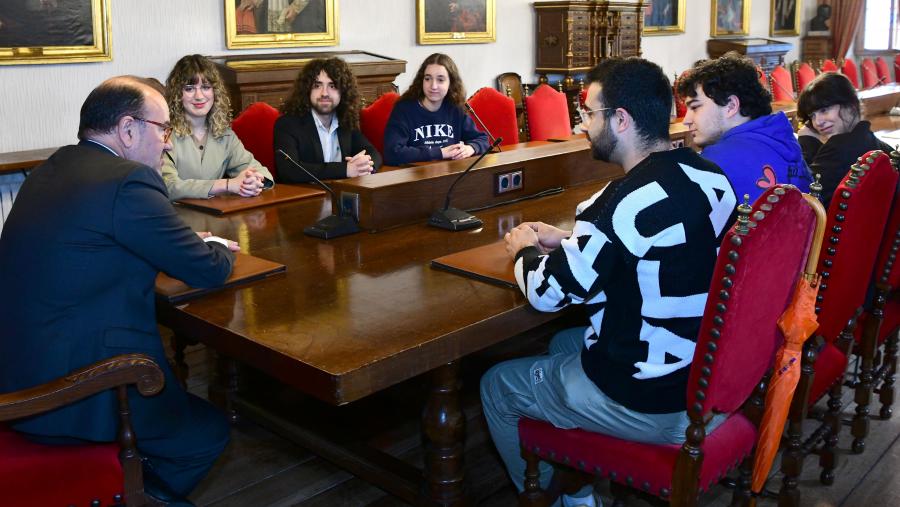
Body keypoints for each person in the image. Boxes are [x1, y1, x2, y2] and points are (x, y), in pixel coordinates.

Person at [480, 58, 736, 507]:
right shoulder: (710, 176)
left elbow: (545, 294)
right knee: (563, 344)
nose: (582, 125)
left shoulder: (614, 204)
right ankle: (578, 486)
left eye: (589, 114)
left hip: (650, 398)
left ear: (621, 120)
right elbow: (667, 248)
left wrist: (522, 247)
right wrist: (570, 240)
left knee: (496, 384)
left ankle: (557, 502)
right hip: (704, 374)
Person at [0, 76, 240, 506]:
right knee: (207, 432)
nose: (168, 143)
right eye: (164, 129)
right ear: (128, 129)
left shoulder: (52, 168)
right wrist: (220, 248)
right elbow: (205, 269)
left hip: (20, 365)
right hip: (74, 389)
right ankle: (127, 494)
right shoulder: (127, 181)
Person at [677, 54, 812, 203]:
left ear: (731, 106)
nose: (686, 121)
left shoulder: (716, 161)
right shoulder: (783, 139)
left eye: (695, 107)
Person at [161, 54, 274, 201]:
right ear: (177, 94)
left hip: (215, 216)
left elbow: (262, 173)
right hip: (175, 217)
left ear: (215, 92)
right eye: (189, 89)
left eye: (206, 87)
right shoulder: (163, 134)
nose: (199, 96)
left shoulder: (225, 134)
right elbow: (168, 186)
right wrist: (226, 185)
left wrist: (253, 181)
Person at [274, 57, 382, 182]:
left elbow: (373, 153)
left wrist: (365, 166)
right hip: (306, 196)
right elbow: (288, 171)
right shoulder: (288, 124)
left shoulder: (345, 120)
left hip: (340, 193)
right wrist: (346, 169)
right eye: (317, 85)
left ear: (343, 92)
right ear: (307, 90)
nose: (324, 93)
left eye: (332, 86)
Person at [797, 72, 892, 208]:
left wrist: (807, 142)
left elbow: (802, 201)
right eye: (812, 115)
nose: (817, 122)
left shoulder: (838, 148)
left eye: (824, 110)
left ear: (851, 105)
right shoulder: (879, 145)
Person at [383, 53, 489, 165]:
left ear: (451, 83)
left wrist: (471, 148)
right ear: (421, 81)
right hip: (416, 176)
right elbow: (392, 153)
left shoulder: (455, 108)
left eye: (440, 80)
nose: (433, 86)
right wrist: (440, 153)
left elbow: (482, 139)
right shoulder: (404, 109)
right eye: (428, 79)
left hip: (450, 174)